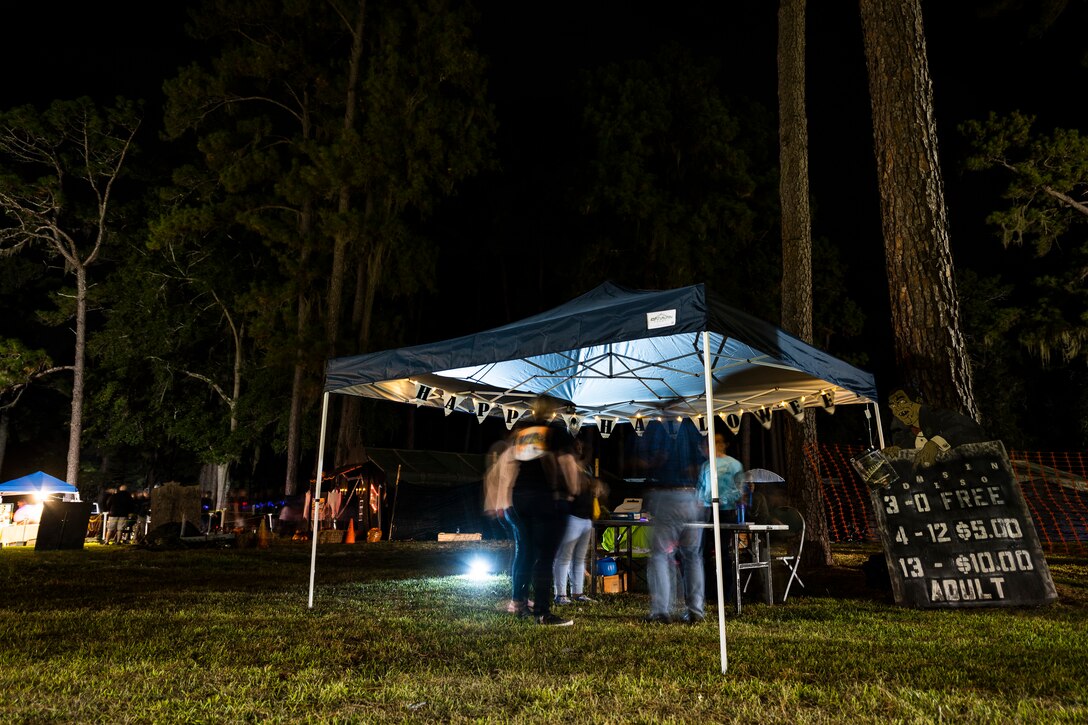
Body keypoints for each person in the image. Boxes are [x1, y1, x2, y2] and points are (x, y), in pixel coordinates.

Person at [641, 419, 706, 624]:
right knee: (692, 556)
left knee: (660, 555)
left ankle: (661, 611)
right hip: (692, 497)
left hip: (667, 494)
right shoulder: (693, 424)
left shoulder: (656, 425)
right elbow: (702, 457)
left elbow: (651, 459)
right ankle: (695, 610)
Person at [552, 437, 604, 606]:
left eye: (581, 444)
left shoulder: (585, 468)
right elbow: (567, 488)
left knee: (580, 558)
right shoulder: (565, 464)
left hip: (586, 518)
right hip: (571, 517)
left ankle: (578, 592)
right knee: (564, 556)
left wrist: (595, 487)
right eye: (576, 445)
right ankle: (560, 594)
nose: (579, 447)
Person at [883, 387, 988, 467]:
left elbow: (967, 427)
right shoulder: (906, 436)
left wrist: (935, 444)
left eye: (902, 401)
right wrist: (898, 451)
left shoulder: (939, 416)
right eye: (893, 406)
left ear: (918, 400)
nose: (898, 408)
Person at [697, 430, 744, 600]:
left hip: (726, 512)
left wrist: (721, 499)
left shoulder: (734, 465)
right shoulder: (706, 466)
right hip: (707, 512)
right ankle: (708, 591)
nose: (706, 449)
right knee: (703, 553)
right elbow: (701, 489)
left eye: (712, 444)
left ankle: (726, 592)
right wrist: (700, 502)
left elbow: (739, 490)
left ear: (720, 445)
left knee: (723, 552)